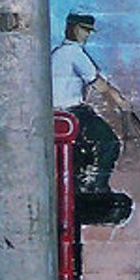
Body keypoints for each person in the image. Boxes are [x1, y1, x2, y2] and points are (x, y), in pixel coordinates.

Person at [51, 11, 125, 192]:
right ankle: (97, 186)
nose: (87, 35)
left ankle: (82, 182)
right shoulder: (74, 53)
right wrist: (120, 101)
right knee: (109, 143)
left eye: (89, 31)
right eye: (85, 30)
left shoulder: (56, 53)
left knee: (82, 150)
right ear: (74, 28)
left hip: (57, 114)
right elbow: (99, 84)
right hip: (72, 111)